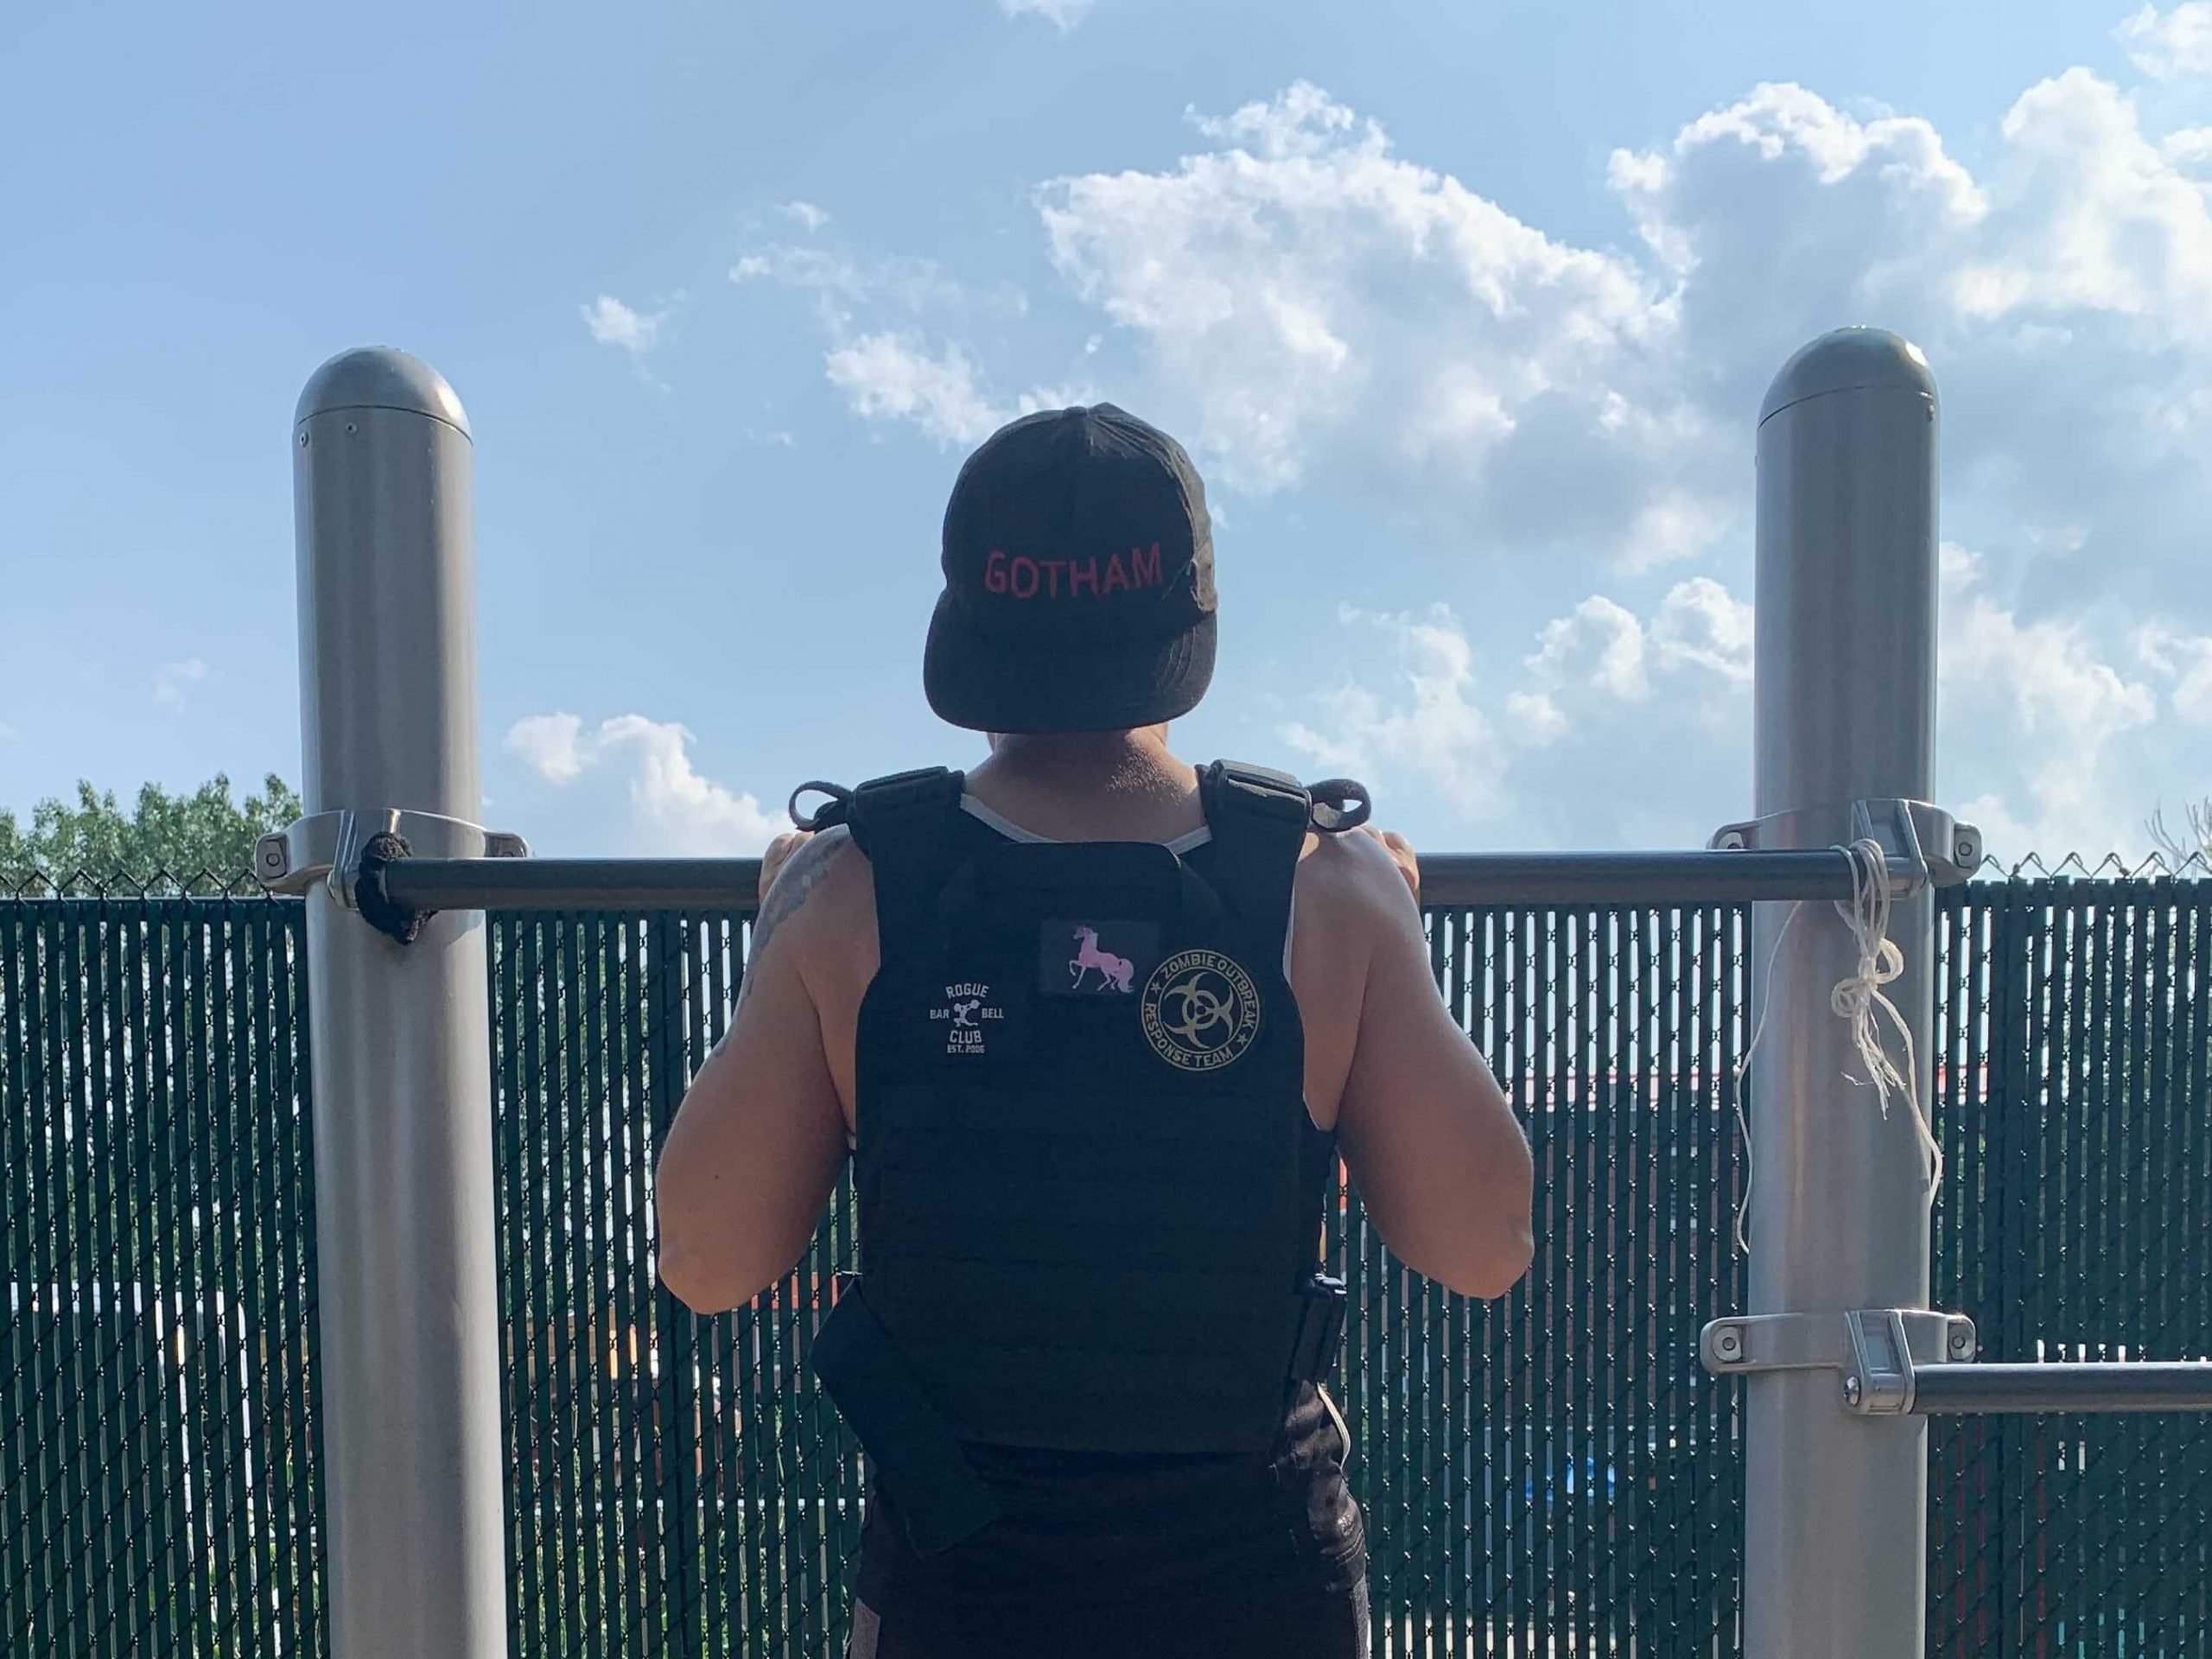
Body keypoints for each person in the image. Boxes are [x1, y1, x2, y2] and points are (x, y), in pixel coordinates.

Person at [655, 404, 1535, 1659]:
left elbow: (706, 1260)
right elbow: (1485, 1245)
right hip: (1256, 1584)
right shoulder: (1321, 889)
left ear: (967, 627)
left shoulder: (854, 891)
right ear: (1189, 624)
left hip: (964, 1588)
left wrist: (782, 930)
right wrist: (1387, 917)